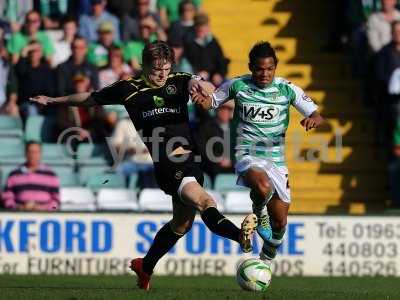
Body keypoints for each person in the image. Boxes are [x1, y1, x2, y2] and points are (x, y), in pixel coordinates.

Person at [30, 40, 257, 290]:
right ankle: (240, 236)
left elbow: (200, 84)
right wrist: (53, 100)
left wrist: (201, 86)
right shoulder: (129, 89)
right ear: (145, 65)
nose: (162, 74)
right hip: (168, 165)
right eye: (157, 69)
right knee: (206, 202)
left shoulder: (178, 80)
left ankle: (144, 266)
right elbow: (90, 98)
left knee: (181, 225)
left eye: (166, 69)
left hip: (192, 161)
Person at [192, 41, 324, 265]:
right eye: (260, 69)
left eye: (270, 68)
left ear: (275, 67)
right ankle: (258, 210)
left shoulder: (287, 89)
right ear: (251, 67)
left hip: (276, 160)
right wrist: (199, 99)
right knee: (263, 187)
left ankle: (267, 257)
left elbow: (318, 115)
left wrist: (313, 119)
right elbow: (210, 102)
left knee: (280, 222)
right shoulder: (237, 85)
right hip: (247, 153)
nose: (265, 73)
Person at [1, 141, 60, 211]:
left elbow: (56, 204)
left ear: (40, 154)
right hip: (19, 217)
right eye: (30, 152)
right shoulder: (14, 174)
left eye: (36, 152)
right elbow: (7, 200)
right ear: (25, 153)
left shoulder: (51, 175)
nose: (33, 155)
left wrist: (43, 208)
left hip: (45, 218)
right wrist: (20, 207)